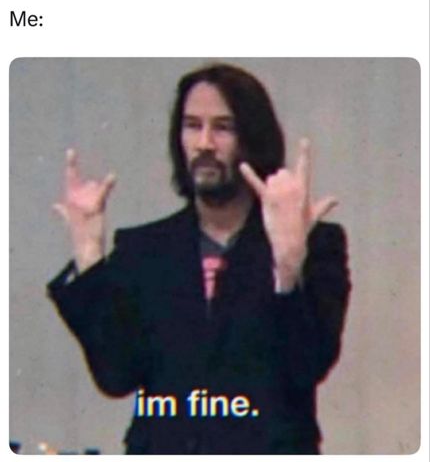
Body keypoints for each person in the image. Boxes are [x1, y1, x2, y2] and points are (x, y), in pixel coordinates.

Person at [48, 63, 351, 454]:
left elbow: (306, 367)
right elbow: (117, 376)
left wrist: (288, 266)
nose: (204, 143)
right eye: (192, 126)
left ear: (252, 138)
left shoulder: (317, 242)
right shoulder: (145, 249)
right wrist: (89, 255)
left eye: (223, 127)